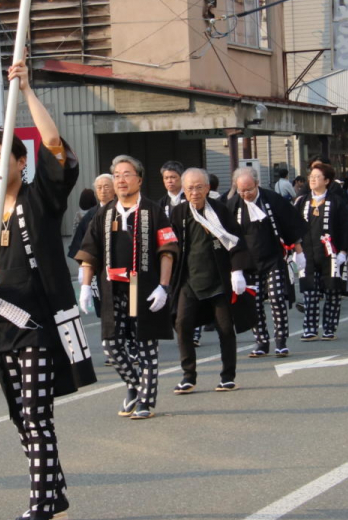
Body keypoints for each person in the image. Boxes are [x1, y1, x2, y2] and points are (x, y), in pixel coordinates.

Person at [0, 59, 94, 520]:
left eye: (1, 159)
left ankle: (40, 508)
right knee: (20, 415)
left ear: (19, 163)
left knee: (36, 414)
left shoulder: (39, 198)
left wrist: (27, 91)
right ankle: (56, 496)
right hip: (1, 329)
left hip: (39, 325)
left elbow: (57, 151)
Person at [77, 155, 177, 420]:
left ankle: (146, 400)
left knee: (146, 345)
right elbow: (90, 251)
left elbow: (167, 250)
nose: (120, 180)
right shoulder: (105, 212)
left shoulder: (152, 210)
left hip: (143, 287)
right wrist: (85, 286)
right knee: (111, 345)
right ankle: (134, 385)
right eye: (117, 175)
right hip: (113, 288)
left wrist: (163, 287)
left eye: (127, 174)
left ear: (139, 180)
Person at [168, 167, 252, 393]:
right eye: (189, 188)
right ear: (183, 191)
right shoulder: (178, 213)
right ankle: (188, 375)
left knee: (225, 328)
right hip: (189, 280)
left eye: (198, 187)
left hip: (218, 280)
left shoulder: (220, 211)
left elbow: (236, 241)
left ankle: (228, 376)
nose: (194, 192)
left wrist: (237, 271)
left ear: (207, 188)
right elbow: (168, 246)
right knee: (182, 324)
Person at [229, 166, 305, 357]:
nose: (245, 194)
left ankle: (281, 341)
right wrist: (234, 269)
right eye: (241, 190)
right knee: (254, 304)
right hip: (247, 263)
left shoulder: (272, 199)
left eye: (249, 189)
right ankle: (261, 342)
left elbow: (291, 223)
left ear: (257, 184)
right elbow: (225, 237)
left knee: (277, 298)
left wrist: (299, 251)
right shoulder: (233, 205)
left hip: (273, 258)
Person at [293, 162, 348, 341]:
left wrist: (343, 251)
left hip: (331, 255)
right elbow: (293, 226)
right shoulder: (302, 201)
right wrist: (296, 251)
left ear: (327, 180)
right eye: (311, 177)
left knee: (332, 293)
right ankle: (310, 328)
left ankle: (329, 327)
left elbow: (346, 228)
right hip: (308, 254)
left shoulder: (337, 202)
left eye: (317, 177)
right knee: (310, 293)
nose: (312, 180)